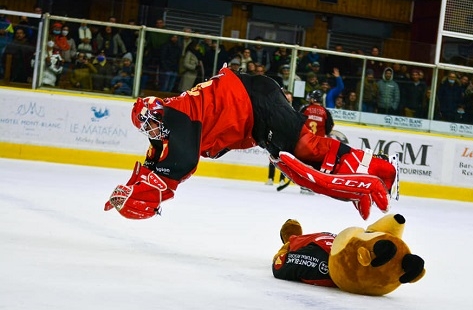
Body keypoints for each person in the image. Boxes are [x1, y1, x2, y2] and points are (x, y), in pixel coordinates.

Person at [104, 65, 398, 221]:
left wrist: (149, 189)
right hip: (252, 108)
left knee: (305, 149)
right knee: (294, 166)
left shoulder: (175, 117)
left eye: (151, 124)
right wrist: (136, 185)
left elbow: (181, 163)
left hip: (254, 102)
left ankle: (383, 170)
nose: (151, 131)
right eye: (146, 127)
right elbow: (158, 161)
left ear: (158, 113)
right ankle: (360, 185)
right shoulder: (170, 118)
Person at [266, 89, 293, 186]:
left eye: (289, 98)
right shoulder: (275, 108)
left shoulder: (292, 110)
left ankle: (282, 179)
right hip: (275, 136)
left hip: (287, 138)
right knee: (273, 157)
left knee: (284, 159)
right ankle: (270, 178)